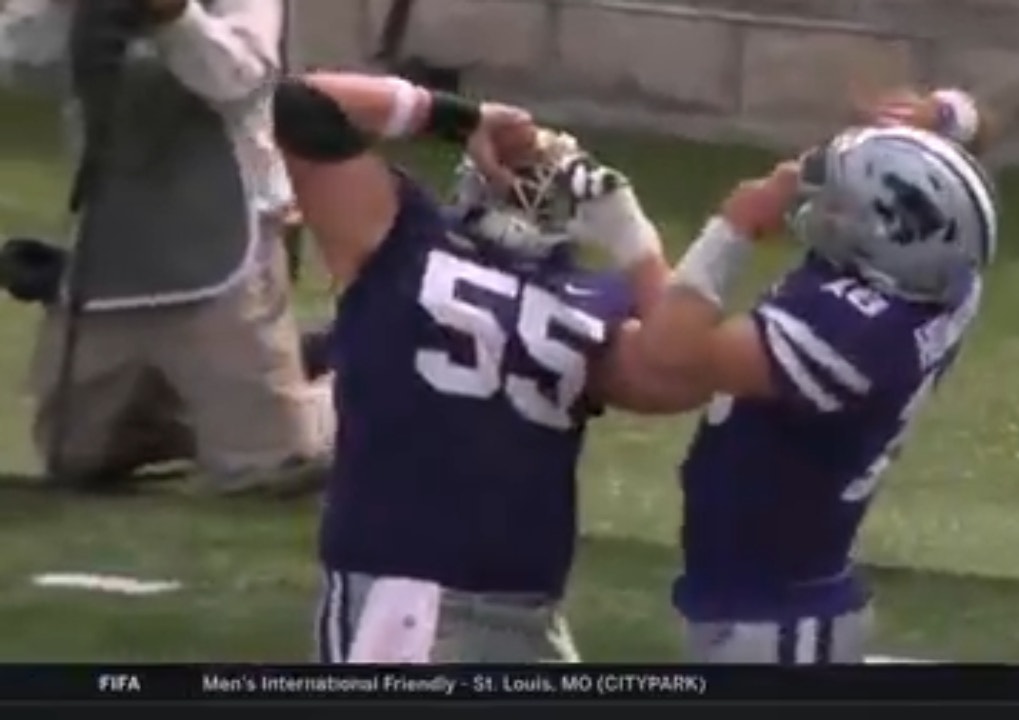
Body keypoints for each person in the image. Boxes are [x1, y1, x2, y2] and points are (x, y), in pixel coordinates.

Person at [274, 71, 698, 663]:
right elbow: (303, 103)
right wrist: (458, 116)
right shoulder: (404, 235)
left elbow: (686, 373)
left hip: (527, 607)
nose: (535, 166)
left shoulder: (586, 296)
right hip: (403, 597)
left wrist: (635, 239)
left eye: (546, 159)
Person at [631, 91, 998, 663]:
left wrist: (735, 225)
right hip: (780, 606)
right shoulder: (942, 280)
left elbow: (667, 352)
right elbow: (941, 182)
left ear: (882, 233)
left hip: (778, 628)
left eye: (844, 205)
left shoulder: (847, 334)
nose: (826, 206)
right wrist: (946, 117)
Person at [0, 0, 330, 494]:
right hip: (112, 239)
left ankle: (345, 395)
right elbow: (19, 64)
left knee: (267, 464)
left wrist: (174, 17)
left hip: (223, 239)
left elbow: (241, 77)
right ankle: (204, 401)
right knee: (73, 457)